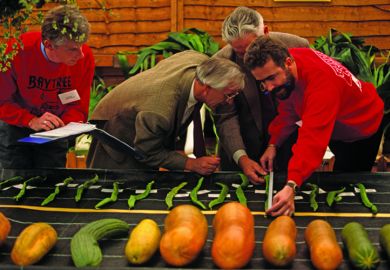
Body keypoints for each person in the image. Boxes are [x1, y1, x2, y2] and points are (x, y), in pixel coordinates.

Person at [244, 36, 384, 216]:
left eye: (271, 78)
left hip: (362, 126)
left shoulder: (322, 86)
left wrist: (291, 185)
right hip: (338, 123)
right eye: (262, 81)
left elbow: (312, 140)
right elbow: (289, 110)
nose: (269, 87)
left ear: (288, 62)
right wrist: (274, 144)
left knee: (348, 190)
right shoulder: (291, 65)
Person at [87, 50, 245, 175]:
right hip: (116, 135)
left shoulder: (199, 63)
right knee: (115, 189)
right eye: (228, 95)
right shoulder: (159, 111)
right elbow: (147, 152)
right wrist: (190, 164)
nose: (229, 101)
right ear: (206, 88)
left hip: (143, 116)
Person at [213, 6, 309, 182]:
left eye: (252, 47)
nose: (249, 58)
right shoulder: (221, 63)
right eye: (241, 53)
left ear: (265, 32)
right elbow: (225, 117)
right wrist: (241, 158)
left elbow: (307, 103)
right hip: (243, 150)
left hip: (289, 146)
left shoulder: (297, 47)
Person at [0, 5, 95, 169]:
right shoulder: (15, 52)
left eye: (81, 46)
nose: (81, 55)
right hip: (15, 127)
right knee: (14, 183)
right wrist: (30, 120)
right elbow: (2, 102)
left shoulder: (84, 58)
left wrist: (63, 125)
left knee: (51, 183)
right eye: (72, 49)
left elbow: (78, 106)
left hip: (55, 130)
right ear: (49, 45)